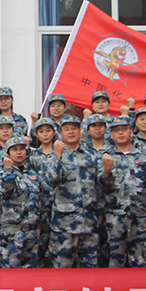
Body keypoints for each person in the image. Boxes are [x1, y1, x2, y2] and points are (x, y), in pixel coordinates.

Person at [43, 115, 110, 268]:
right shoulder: (55, 154)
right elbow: (51, 180)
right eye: (66, 129)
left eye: (74, 128)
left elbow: (103, 185)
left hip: (89, 222)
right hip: (65, 225)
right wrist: (57, 156)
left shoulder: (92, 154)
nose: (71, 132)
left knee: (89, 269)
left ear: (81, 131)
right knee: (63, 269)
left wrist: (107, 171)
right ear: (60, 133)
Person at [102, 116, 146, 268]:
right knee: (115, 261)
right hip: (115, 216)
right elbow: (101, 185)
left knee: (140, 261)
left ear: (131, 132)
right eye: (116, 130)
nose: (120, 133)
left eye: (124, 129)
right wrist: (107, 170)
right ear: (111, 135)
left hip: (139, 216)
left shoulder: (144, 157)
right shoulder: (105, 156)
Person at [0, 136, 41, 268]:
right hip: (12, 231)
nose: (19, 152)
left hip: (31, 230)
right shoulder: (4, 173)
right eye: (14, 149)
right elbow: (6, 190)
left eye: (22, 149)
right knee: (11, 270)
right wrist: (8, 171)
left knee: (30, 270)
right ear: (8, 153)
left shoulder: (31, 174)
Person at [27, 117, 58, 265]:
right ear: (36, 134)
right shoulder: (32, 156)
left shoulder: (60, 154)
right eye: (41, 131)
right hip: (39, 206)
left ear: (54, 132)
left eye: (48, 131)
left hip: (58, 206)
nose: (45, 134)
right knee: (39, 243)